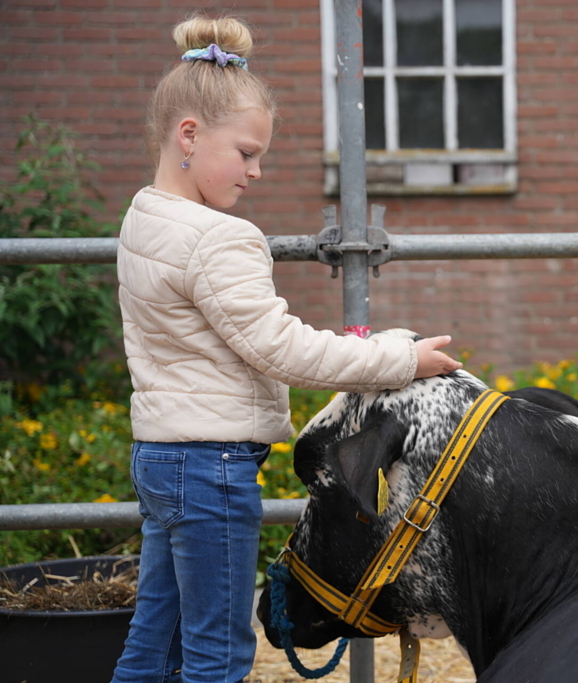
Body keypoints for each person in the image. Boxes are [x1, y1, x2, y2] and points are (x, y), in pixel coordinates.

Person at [111, 14, 462, 683]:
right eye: (246, 152)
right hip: (210, 465)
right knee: (218, 653)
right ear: (189, 134)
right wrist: (399, 360)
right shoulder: (219, 237)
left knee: (154, 639)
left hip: (160, 457)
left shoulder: (142, 215)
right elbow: (283, 351)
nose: (257, 171)